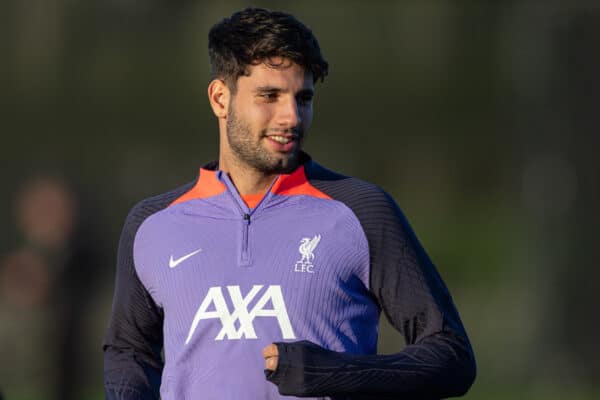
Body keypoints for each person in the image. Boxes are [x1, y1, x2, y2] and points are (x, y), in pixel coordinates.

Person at [103, 7, 476, 399]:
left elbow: (451, 356)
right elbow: (129, 353)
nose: (292, 116)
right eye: (270, 96)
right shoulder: (152, 223)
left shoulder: (363, 212)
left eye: (303, 98)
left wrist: (337, 372)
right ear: (220, 99)